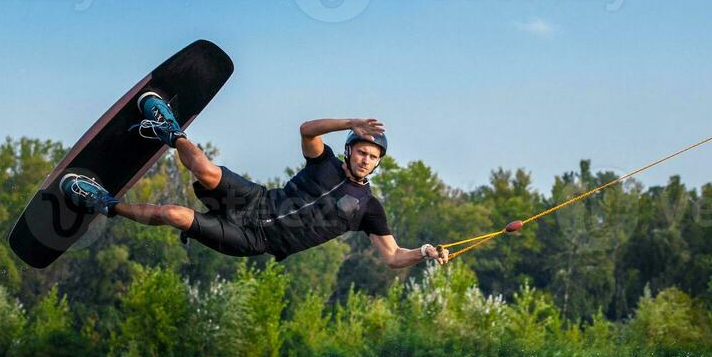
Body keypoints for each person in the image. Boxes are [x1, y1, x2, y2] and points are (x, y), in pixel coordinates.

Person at [60, 91, 450, 268]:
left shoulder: (369, 209)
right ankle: (171, 131)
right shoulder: (324, 162)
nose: (366, 160)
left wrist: (424, 252)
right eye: (362, 151)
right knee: (205, 170)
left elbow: (392, 256)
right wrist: (350, 122)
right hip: (257, 202)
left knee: (174, 214)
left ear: (378, 165)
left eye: (373, 157)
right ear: (350, 150)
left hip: (255, 240)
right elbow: (307, 129)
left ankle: (105, 204)